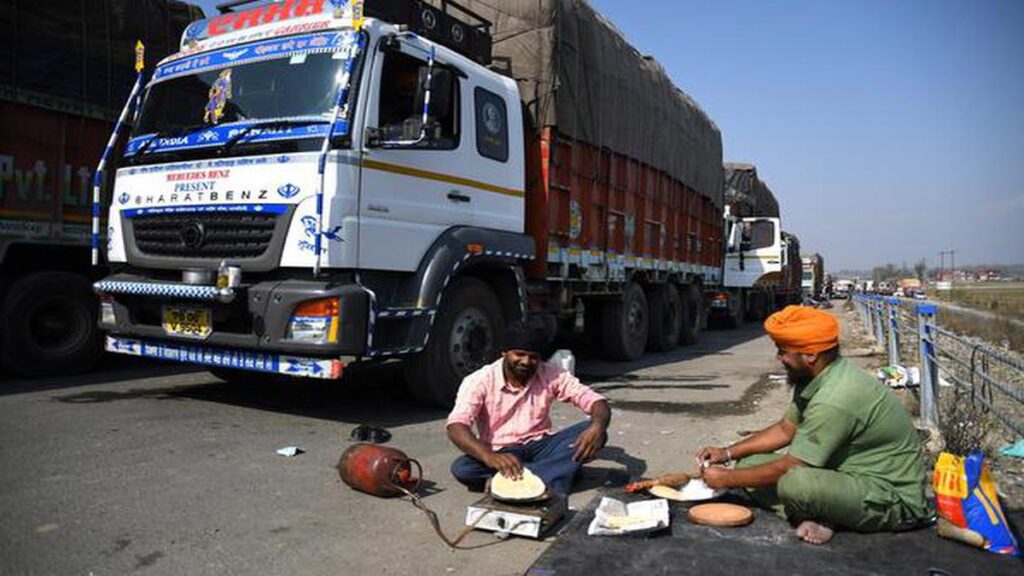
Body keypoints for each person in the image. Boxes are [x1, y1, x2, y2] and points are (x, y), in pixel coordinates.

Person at [694, 305, 929, 544]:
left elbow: (792, 466)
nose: (780, 358)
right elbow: (785, 429)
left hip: (890, 497)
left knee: (795, 483)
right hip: (844, 476)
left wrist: (727, 480)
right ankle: (823, 511)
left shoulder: (835, 398)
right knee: (749, 462)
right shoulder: (815, 377)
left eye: (783, 351)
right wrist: (727, 453)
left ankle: (826, 515)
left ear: (811, 355)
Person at [446, 323, 612, 496]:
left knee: (595, 432)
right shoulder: (479, 380)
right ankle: (555, 474)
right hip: (501, 451)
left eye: (533, 357)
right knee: (463, 469)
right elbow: (456, 426)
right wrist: (489, 456)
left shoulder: (551, 373)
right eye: (519, 354)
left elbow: (595, 401)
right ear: (504, 353)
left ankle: (512, 482)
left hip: (542, 447)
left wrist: (598, 426)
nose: (526, 362)